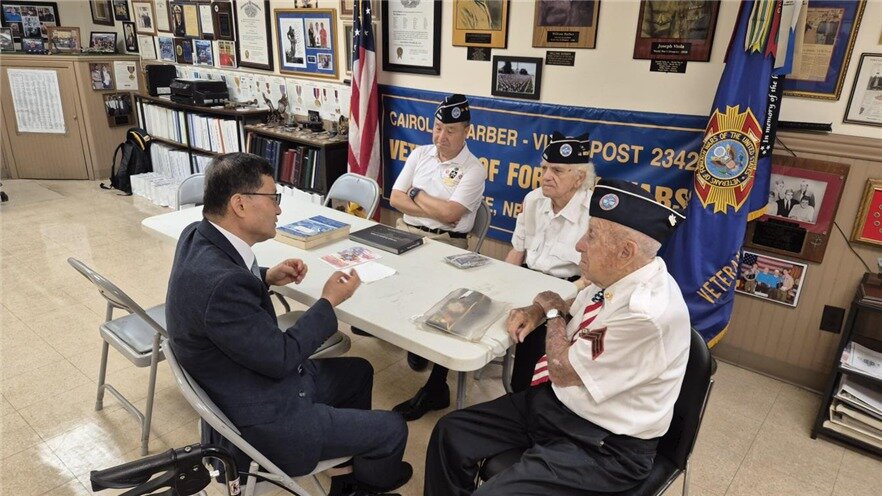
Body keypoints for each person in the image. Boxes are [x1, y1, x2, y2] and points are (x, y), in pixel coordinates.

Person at [424, 178, 690, 495]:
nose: (580, 244)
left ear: (625, 251)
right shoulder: (619, 275)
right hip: (559, 406)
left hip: (605, 444)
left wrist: (549, 309)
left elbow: (562, 370)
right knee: (450, 433)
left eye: (591, 236)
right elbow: (572, 307)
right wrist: (539, 310)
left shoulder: (646, 313)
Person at [165, 153, 411, 496]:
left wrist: (266, 276)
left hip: (238, 385)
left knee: (360, 372)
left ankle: (347, 476)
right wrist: (328, 301)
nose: (279, 209)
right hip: (267, 420)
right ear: (239, 204)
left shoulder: (197, 234)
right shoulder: (224, 286)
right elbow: (282, 357)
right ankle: (370, 480)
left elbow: (226, 283)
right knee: (394, 427)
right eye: (273, 197)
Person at [387, 94, 487, 418]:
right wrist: (428, 203)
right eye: (438, 127)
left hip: (448, 244)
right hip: (406, 232)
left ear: (467, 131)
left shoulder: (473, 170)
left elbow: (450, 216)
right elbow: (395, 199)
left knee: (445, 313)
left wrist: (416, 195)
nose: (441, 137)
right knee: (392, 291)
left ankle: (436, 387)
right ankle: (413, 343)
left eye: (451, 130)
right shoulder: (419, 154)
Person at [505, 132, 594, 393]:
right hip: (527, 279)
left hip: (568, 293)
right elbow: (516, 251)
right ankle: (437, 385)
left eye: (557, 170)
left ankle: (521, 396)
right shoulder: (533, 200)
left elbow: (590, 279)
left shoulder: (592, 214)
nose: (546, 176)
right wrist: (497, 286)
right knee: (471, 311)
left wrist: (550, 305)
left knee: (530, 348)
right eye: (544, 168)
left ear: (579, 177)